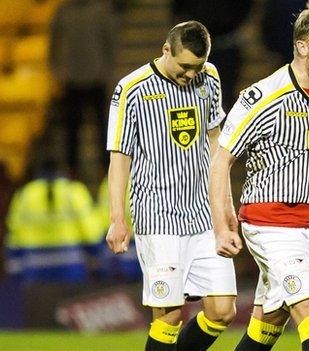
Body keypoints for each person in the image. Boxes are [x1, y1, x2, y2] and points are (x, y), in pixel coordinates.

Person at [209, 2, 309, 351]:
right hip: (271, 227)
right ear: (302, 47)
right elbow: (220, 162)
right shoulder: (262, 97)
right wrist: (223, 224)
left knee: (269, 323)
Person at [106, 21, 236, 351]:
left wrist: (224, 205)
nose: (191, 75)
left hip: (202, 215)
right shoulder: (131, 88)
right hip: (157, 215)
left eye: (197, 67)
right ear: (166, 50)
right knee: (169, 316)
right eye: (184, 66)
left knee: (223, 311)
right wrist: (117, 218)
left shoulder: (211, 76)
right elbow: (120, 157)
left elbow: (216, 141)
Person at [49, 0, 117, 175]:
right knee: (71, 129)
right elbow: (53, 42)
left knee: (102, 129)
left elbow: (111, 40)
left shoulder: (101, 9)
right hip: (71, 80)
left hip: (97, 78)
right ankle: (72, 172)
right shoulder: (62, 11)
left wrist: (106, 70)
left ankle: (107, 171)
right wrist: (57, 69)